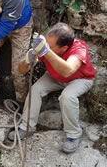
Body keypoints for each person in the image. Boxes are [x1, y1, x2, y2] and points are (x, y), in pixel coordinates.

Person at [8, 22, 96, 154]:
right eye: (46, 43)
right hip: (55, 76)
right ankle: (27, 127)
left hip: (79, 79)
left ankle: (74, 134)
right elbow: (21, 70)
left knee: (67, 96)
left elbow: (68, 70)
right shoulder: (48, 44)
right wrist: (28, 58)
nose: (47, 46)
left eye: (50, 46)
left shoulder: (79, 48)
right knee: (36, 89)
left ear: (64, 48)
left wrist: (46, 50)